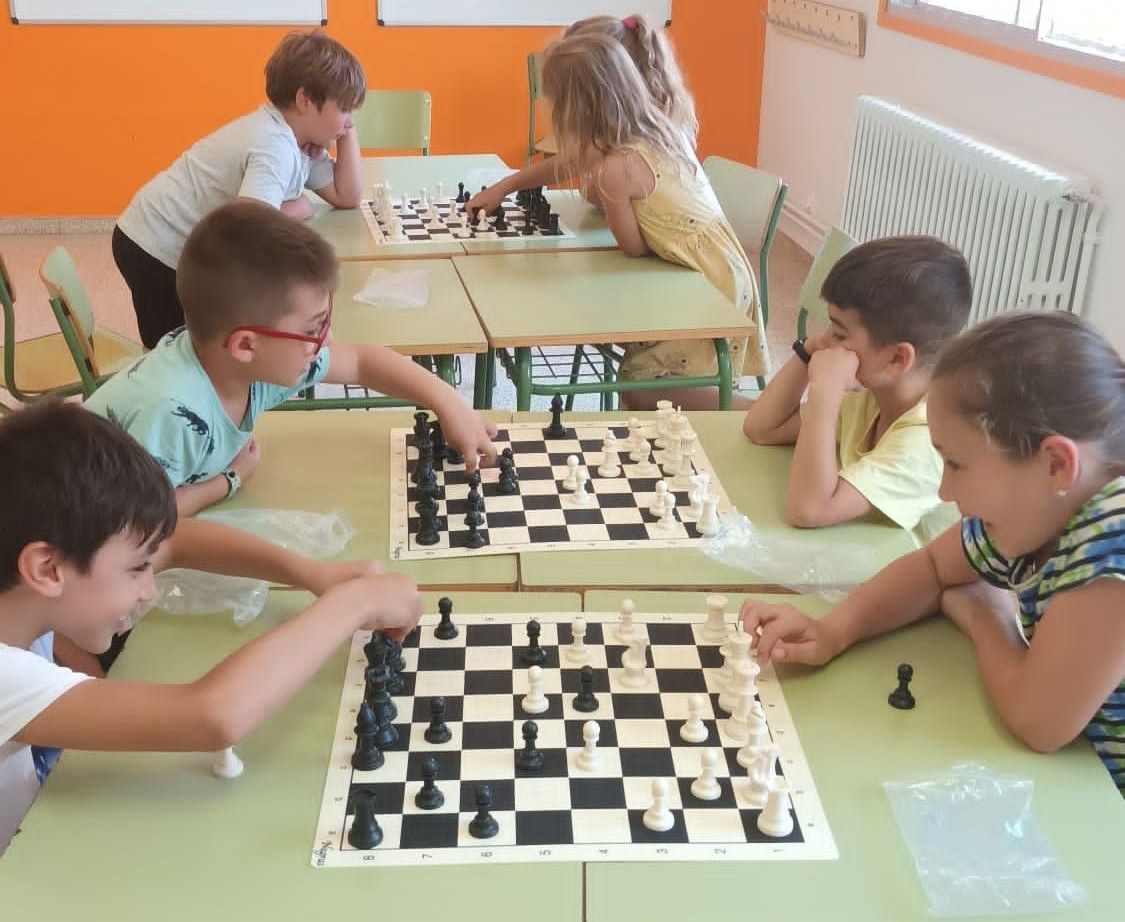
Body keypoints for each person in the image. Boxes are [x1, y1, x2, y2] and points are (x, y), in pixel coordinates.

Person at [0, 401, 423, 853]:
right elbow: (213, 716)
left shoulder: (25, 596)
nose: (148, 589)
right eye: (137, 569)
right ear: (46, 569)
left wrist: (310, 572)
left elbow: (173, 541)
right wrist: (353, 604)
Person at [741, 312, 1125, 794]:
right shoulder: (1037, 506)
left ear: (1055, 464)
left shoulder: (1112, 541)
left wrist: (988, 615)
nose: (944, 491)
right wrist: (832, 631)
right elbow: (933, 567)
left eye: (957, 465)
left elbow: (1038, 723)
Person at [87, 199, 497, 516]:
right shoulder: (171, 412)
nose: (326, 339)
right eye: (313, 328)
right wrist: (229, 481)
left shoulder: (249, 365)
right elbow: (141, 520)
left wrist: (448, 402)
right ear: (246, 345)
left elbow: (361, 361)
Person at [467, 29, 764, 409]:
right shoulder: (656, 127)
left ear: (579, 109)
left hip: (704, 284)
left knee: (641, 384)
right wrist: (505, 186)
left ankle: (758, 418)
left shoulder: (616, 169)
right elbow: (573, 162)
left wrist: (611, 198)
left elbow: (633, 248)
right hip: (724, 267)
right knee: (646, 376)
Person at [114, 31, 366, 347]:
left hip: (172, 238)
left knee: (206, 345)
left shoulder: (301, 141)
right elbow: (249, 229)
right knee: (179, 352)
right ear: (304, 100)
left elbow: (347, 195)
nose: (349, 120)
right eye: (344, 109)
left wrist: (346, 132)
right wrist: (300, 207)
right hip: (154, 243)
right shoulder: (274, 145)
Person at [743, 236, 971, 545]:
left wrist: (825, 391)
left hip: (909, 567)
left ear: (896, 358)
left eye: (839, 334)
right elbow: (762, 429)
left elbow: (809, 511)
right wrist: (809, 349)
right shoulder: (871, 391)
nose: (828, 343)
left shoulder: (926, 441)